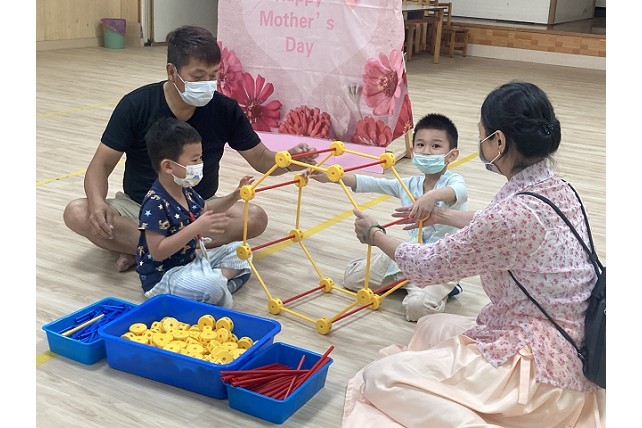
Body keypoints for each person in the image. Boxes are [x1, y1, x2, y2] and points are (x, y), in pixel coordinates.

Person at [342, 81, 605, 427]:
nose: (480, 142)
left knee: (380, 378)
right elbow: (498, 224)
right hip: (574, 344)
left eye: (481, 134)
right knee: (430, 326)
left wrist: (375, 234)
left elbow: (426, 267)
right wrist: (443, 216)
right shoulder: (557, 186)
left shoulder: (512, 215)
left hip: (542, 369)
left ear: (498, 141)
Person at [63, 25, 317, 272]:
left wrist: (289, 161)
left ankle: (145, 250)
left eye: (213, 75)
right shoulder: (135, 105)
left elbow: (261, 158)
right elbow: (101, 165)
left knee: (255, 218)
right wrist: (97, 203)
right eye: (197, 76)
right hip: (139, 208)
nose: (207, 83)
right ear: (171, 71)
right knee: (77, 212)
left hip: (201, 208)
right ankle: (172, 249)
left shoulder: (225, 110)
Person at [310, 113, 468, 321]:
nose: (427, 151)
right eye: (420, 145)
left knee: (417, 309)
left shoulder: (453, 180)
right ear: (413, 150)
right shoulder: (409, 184)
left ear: (451, 155)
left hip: (440, 262)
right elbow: (372, 183)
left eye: (436, 146)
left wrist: (433, 196)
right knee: (351, 280)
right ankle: (405, 280)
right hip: (408, 253)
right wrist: (332, 177)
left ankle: (444, 287)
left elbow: (458, 191)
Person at [136, 117, 252, 307]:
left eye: (200, 158)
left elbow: (206, 210)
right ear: (168, 166)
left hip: (191, 260)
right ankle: (217, 286)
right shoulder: (155, 203)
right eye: (195, 159)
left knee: (241, 251)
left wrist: (234, 196)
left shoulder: (185, 189)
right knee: (212, 285)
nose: (200, 163)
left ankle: (216, 285)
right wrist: (196, 227)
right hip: (165, 276)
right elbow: (157, 252)